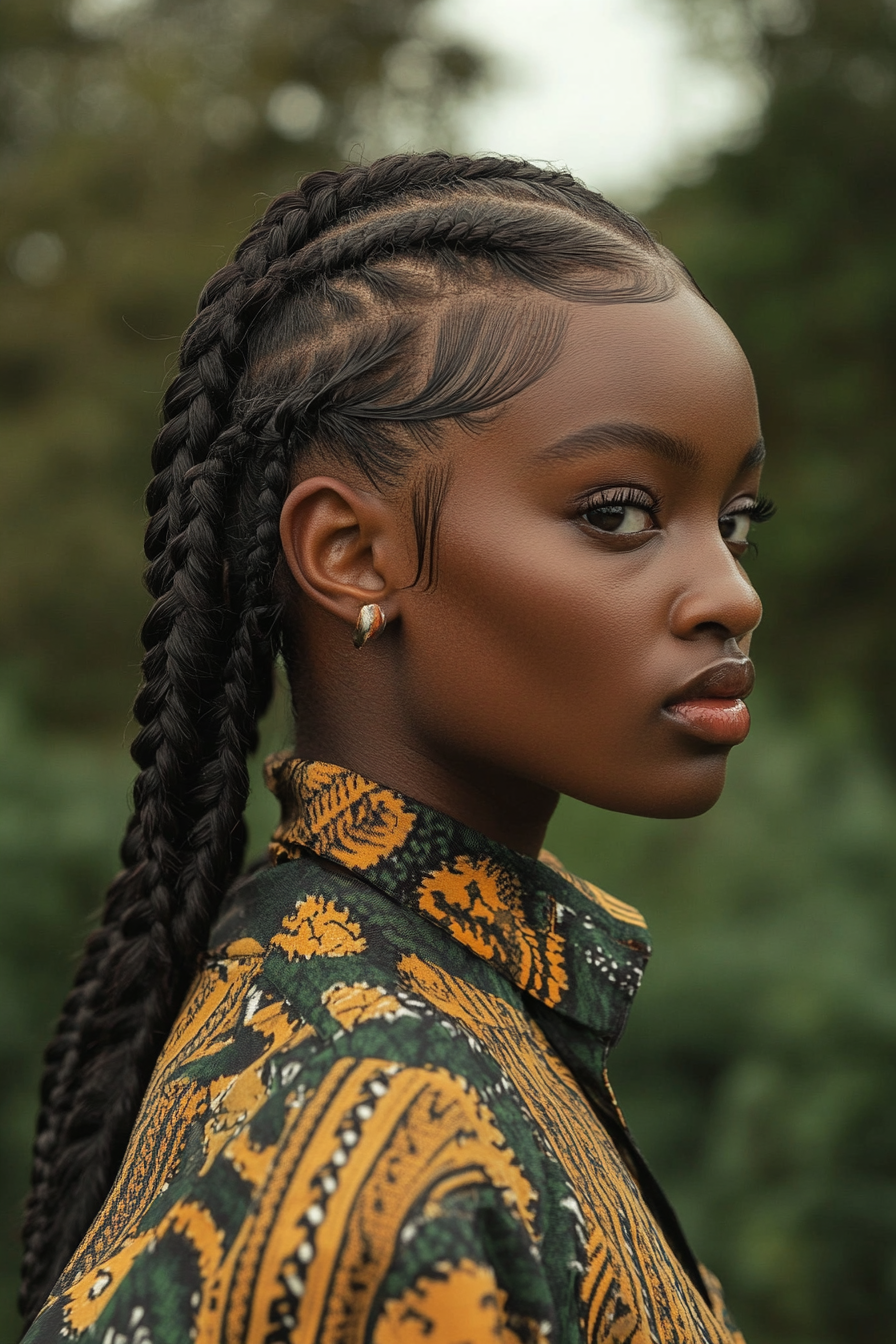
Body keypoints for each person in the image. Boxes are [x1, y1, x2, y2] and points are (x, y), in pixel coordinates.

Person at [19, 152, 773, 1343]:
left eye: (732, 521)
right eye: (617, 512)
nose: (729, 594)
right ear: (352, 555)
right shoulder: (387, 1133)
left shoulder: (450, 1004)